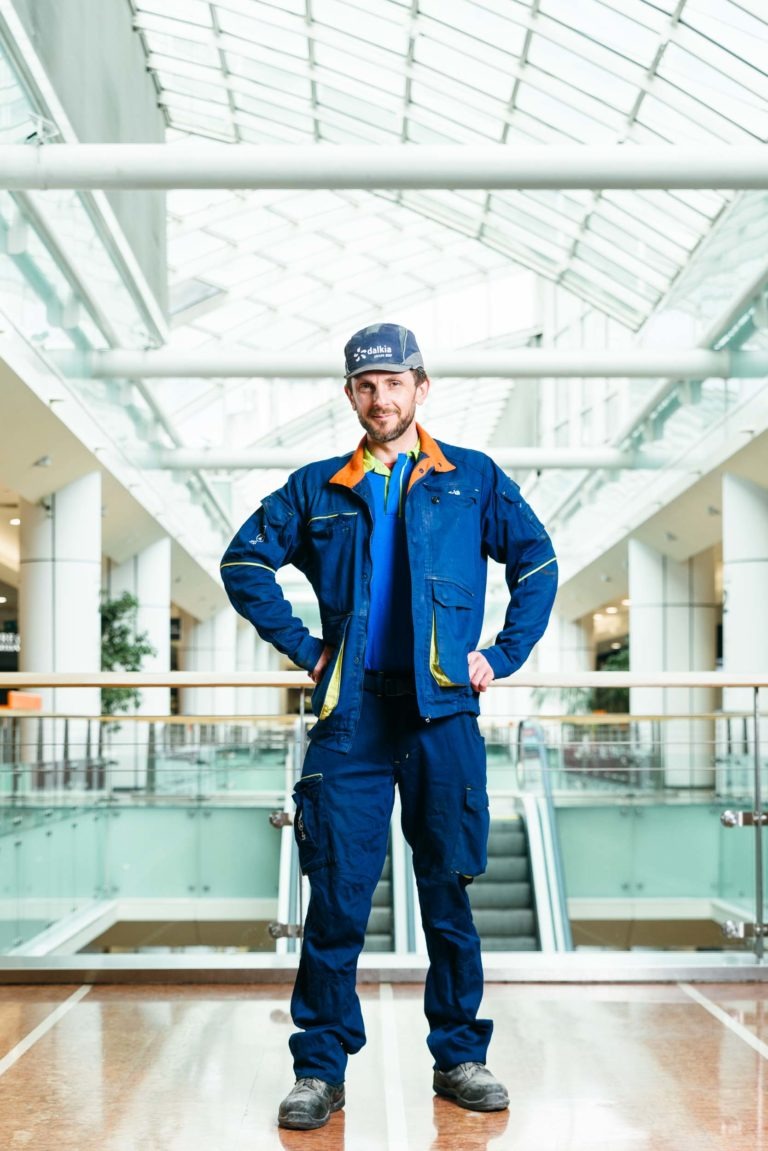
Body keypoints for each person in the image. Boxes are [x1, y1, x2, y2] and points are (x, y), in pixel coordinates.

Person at [220, 323, 557, 1131]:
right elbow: (243, 563)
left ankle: (460, 1056)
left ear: (420, 387)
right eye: (366, 386)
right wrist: (307, 648)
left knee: (448, 892)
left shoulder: (470, 478)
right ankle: (320, 1069)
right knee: (336, 895)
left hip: (442, 710)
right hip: (352, 718)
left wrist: (501, 656)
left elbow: (537, 562)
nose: (381, 398)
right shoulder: (317, 487)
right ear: (351, 395)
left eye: (394, 383)